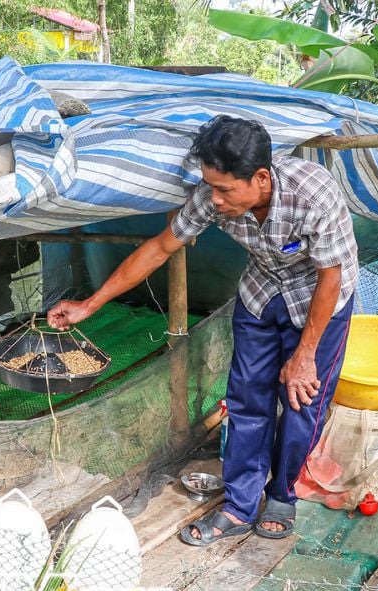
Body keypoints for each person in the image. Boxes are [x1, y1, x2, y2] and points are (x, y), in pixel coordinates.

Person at [47, 116, 358, 545]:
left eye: (225, 189)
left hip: (321, 299)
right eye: (209, 186)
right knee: (247, 401)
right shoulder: (210, 198)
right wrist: (90, 304)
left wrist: (304, 356)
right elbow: (159, 248)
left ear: (261, 178)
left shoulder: (314, 194)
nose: (215, 199)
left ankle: (283, 496)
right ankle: (239, 506)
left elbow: (331, 277)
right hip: (262, 290)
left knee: (302, 402)